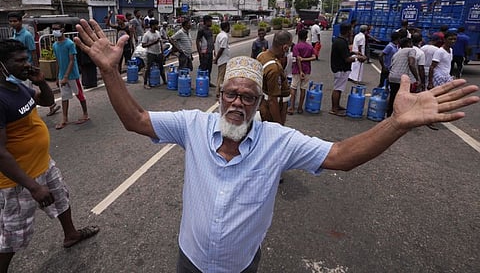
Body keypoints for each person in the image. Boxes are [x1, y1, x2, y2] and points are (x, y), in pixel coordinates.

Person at [74, 18, 479, 273]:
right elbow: (136, 120)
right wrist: (109, 71)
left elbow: (341, 157)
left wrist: (396, 123)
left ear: (258, 102)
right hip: (190, 263)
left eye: (248, 97)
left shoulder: (277, 140)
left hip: (242, 267)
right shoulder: (193, 125)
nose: (237, 103)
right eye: (230, 94)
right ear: (220, 95)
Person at [0, 39, 99, 273]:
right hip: (19, 181)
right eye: (20, 61)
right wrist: (33, 187)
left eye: (27, 59)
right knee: (14, 234)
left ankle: (71, 234)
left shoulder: (18, 87)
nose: (27, 65)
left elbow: (45, 101)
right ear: (1, 65)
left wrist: (42, 82)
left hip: (43, 165)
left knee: (61, 198)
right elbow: (0, 152)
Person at [8, 12, 60, 116]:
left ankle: (32, 113)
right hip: (18, 69)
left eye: (15, 21)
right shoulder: (13, 34)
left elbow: (33, 52)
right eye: (10, 21)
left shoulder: (26, 35)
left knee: (27, 92)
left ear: (20, 22)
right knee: (27, 90)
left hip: (27, 68)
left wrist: (36, 67)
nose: (13, 23)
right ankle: (49, 105)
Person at [51, 24, 89, 130]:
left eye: (56, 29)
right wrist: (57, 76)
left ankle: (85, 114)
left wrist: (66, 76)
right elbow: (58, 61)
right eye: (53, 29)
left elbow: (72, 61)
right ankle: (64, 118)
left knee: (79, 95)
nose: (55, 31)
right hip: (62, 75)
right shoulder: (55, 45)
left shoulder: (70, 43)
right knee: (64, 97)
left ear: (62, 30)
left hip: (72, 75)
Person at [256, 30, 292, 125]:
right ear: (285, 47)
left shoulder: (262, 55)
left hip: (262, 104)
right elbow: (273, 101)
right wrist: (279, 126)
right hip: (271, 111)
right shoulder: (274, 68)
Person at [330, 23, 366, 116]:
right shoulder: (341, 42)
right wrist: (358, 58)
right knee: (337, 89)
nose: (352, 32)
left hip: (340, 68)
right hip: (340, 69)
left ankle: (337, 105)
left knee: (339, 88)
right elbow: (346, 58)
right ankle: (334, 109)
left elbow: (345, 53)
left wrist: (353, 52)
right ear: (348, 31)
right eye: (351, 30)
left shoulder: (340, 40)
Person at [387, 37, 420, 117]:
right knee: (403, 98)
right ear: (408, 44)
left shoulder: (397, 53)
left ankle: (389, 115)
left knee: (393, 96)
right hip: (402, 79)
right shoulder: (411, 50)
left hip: (392, 77)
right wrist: (417, 78)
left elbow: (391, 66)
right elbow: (411, 64)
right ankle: (400, 116)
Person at [287, 29, 315, 115]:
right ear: (306, 37)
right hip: (307, 70)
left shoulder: (297, 47)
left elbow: (298, 59)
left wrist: (300, 70)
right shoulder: (310, 47)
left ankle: (291, 107)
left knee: (293, 88)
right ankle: (300, 107)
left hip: (297, 70)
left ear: (298, 36)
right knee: (303, 89)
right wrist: (306, 59)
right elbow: (314, 57)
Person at [142, 19, 166, 89]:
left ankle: (164, 81)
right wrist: (153, 43)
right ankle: (145, 83)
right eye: (156, 25)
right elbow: (143, 45)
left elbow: (160, 43)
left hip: (158, 53)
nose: (157, 26)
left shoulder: (158, 33)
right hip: (151, 53)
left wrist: (162, 52)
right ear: (152, 26)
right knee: (148, 68)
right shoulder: (147, 34)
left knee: (161, 67)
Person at [196, 15, 215, 86]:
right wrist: (199, 52)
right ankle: (202, 82)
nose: (211, 22)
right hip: (204, 52)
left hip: (210, 52)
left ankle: (208, 81)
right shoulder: (201, 30)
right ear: (206, 21)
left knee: (209, 67)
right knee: (203, 68)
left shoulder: (210, 30)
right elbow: (197, 41)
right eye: (210, 21)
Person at [213, 21, 230, 98]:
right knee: (221, 77)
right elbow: (222, 48)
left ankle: (218, 92)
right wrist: (216, 59)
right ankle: (218, 93)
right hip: (223, 59)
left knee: (220, 75)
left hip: (221, 59)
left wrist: (216, 56)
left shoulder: (219, 35)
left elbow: (216, 46)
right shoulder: (224, 37)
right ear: (226, 27)